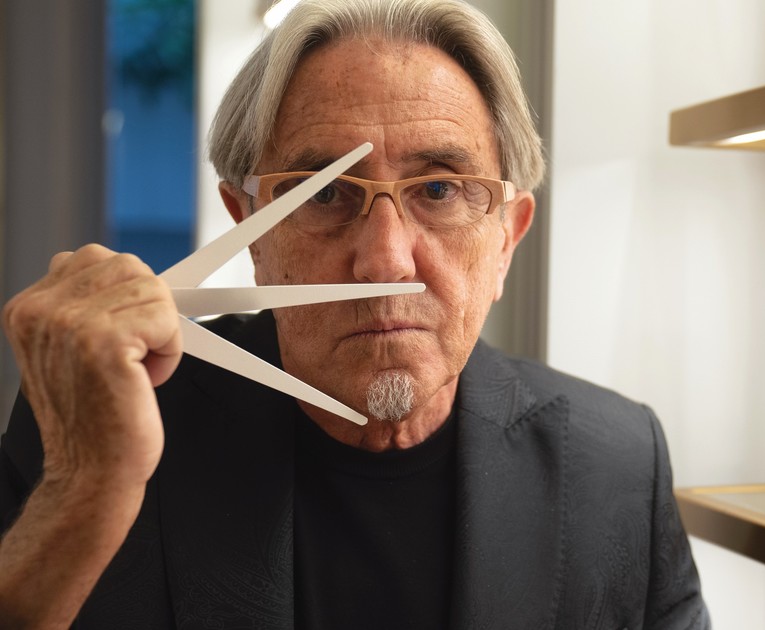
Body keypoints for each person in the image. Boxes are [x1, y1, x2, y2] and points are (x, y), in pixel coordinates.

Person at [0, 0, 710, 627]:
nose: (386, 261)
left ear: (506, 241)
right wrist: (82, 493)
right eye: (323, 193)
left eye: (439, 189)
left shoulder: (617, 465)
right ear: (249, 229)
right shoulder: (92, 422)